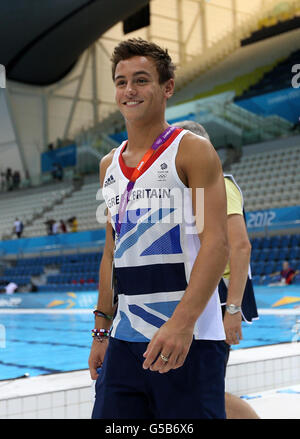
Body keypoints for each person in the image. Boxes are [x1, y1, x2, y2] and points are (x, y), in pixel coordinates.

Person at [89, 38, 229, 419]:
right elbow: (111, 252)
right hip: (125, 338)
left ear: (167, 87)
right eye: (121, 82)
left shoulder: (191, 150)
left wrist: (182, 324)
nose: (129, 91)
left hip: (190, 338)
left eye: (140, 80)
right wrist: (101, 331)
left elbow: (217, 243)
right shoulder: (108, 165)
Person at [174, 120, 259, 419]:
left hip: (221, 298)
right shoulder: (194, 192)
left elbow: (240, 246)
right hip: (205, 297)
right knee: (199, 389)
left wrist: (233, 309)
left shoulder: (221, 185)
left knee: (205, 389)